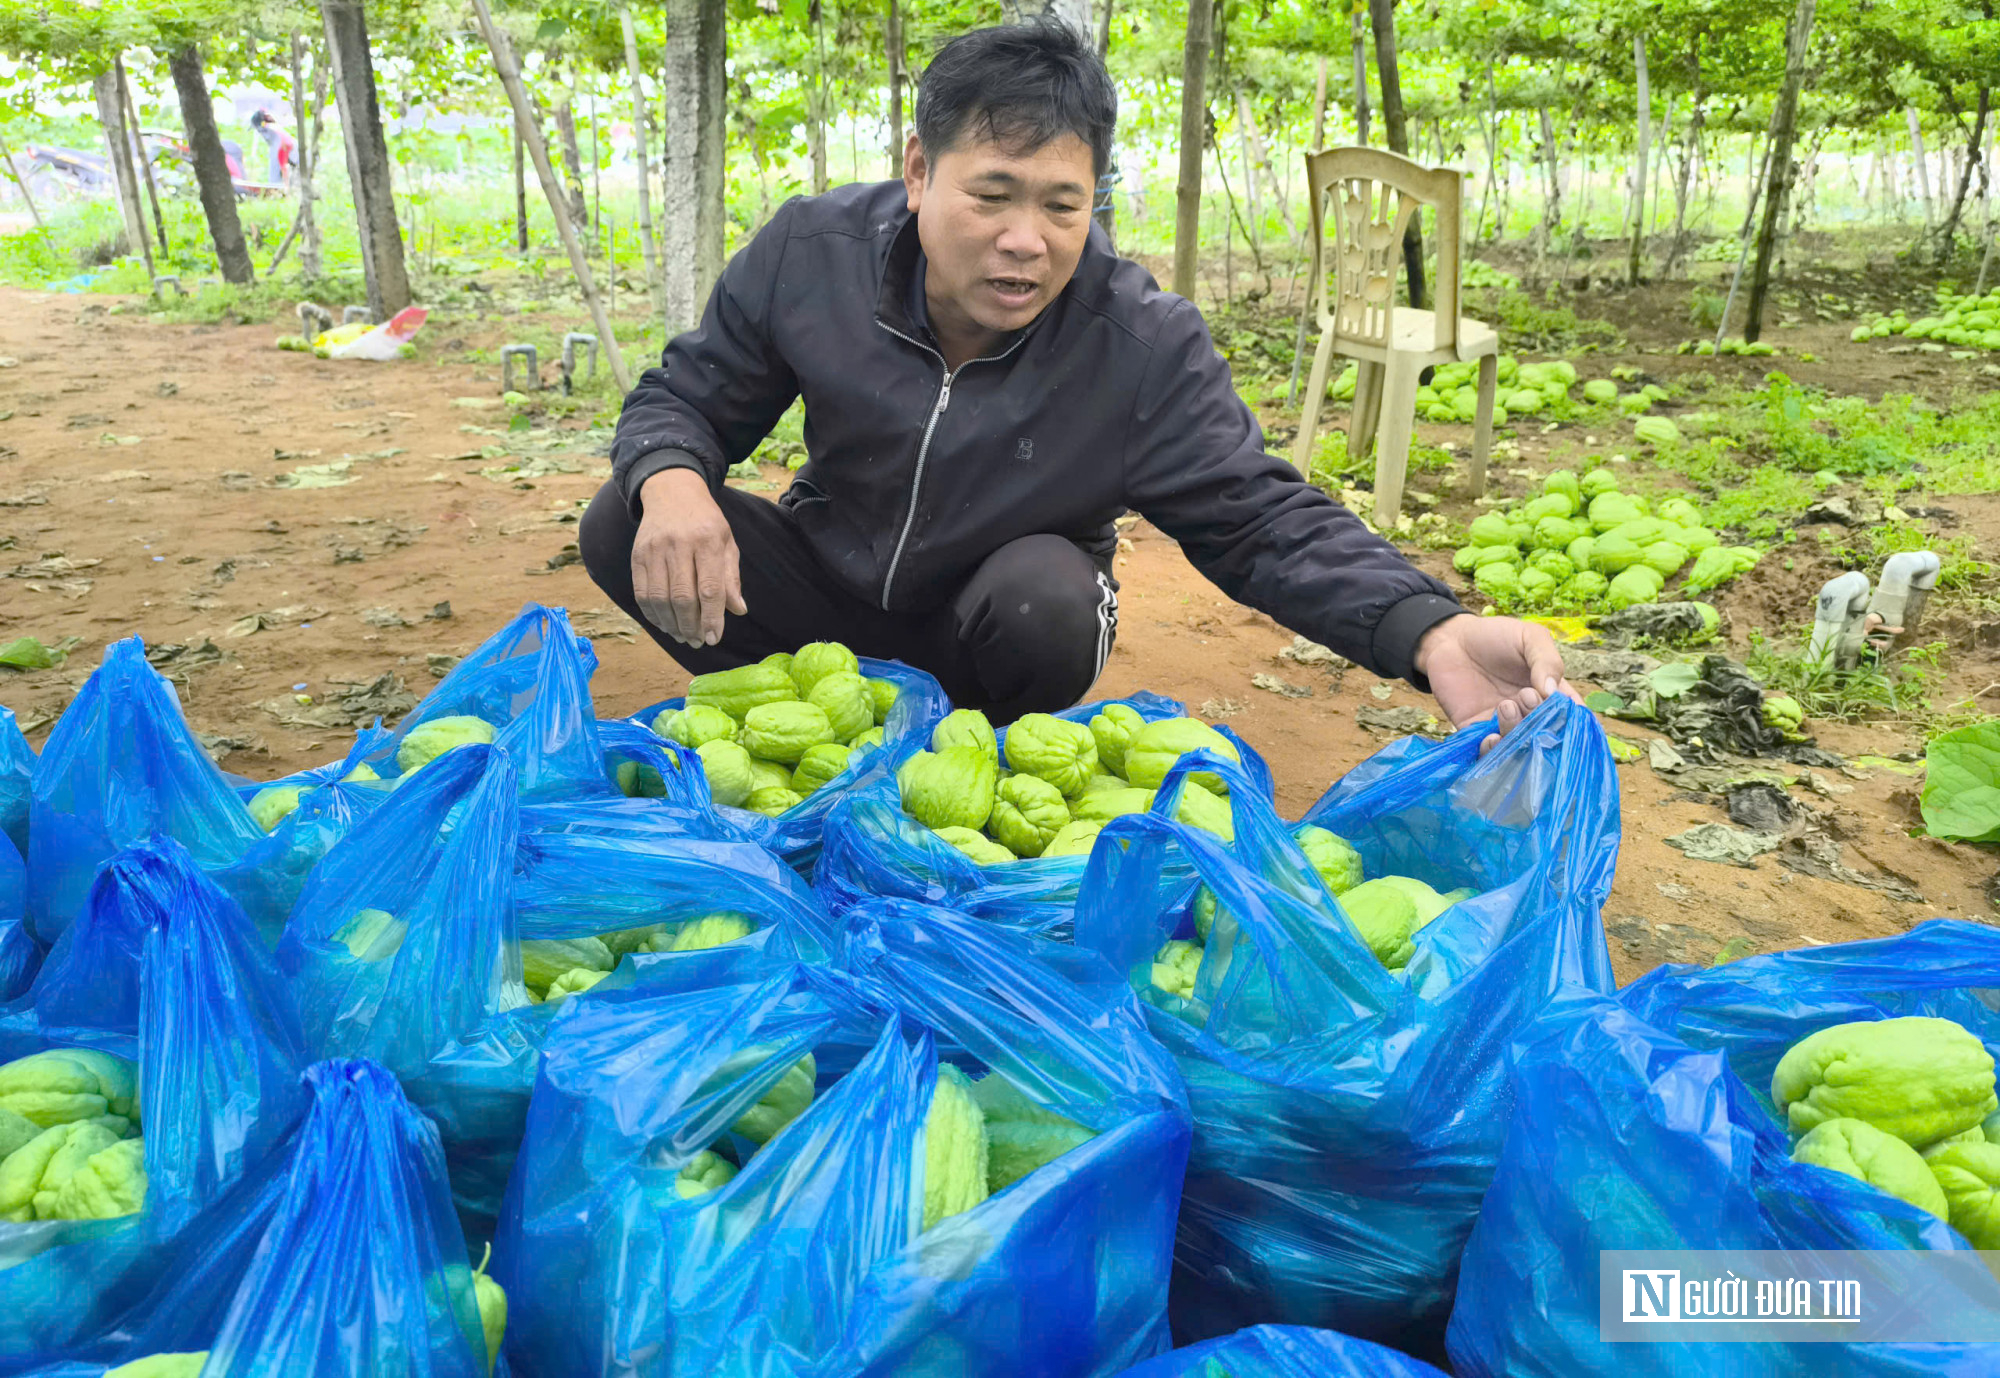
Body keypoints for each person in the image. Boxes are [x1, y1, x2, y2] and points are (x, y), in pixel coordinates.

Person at [583, 19, 1572, 744]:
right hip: (827, 589)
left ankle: (969, 753)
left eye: (1063, 205)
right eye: (992, 196)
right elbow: (686, 396)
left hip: (991, 630)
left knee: (1047, 599)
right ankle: (804, 741)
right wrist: (669, 476)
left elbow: (1258, 516)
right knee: (625, 519)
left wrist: (1429, 628)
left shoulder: (1139, 343)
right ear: (920, 171)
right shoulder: (816, 252)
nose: (1027, 241)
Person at [248, 109, 295, 186]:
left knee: (277, 174)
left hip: (283, 149)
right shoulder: (274, 128)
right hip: (287, 149)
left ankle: (278, 188)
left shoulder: (270, 130)